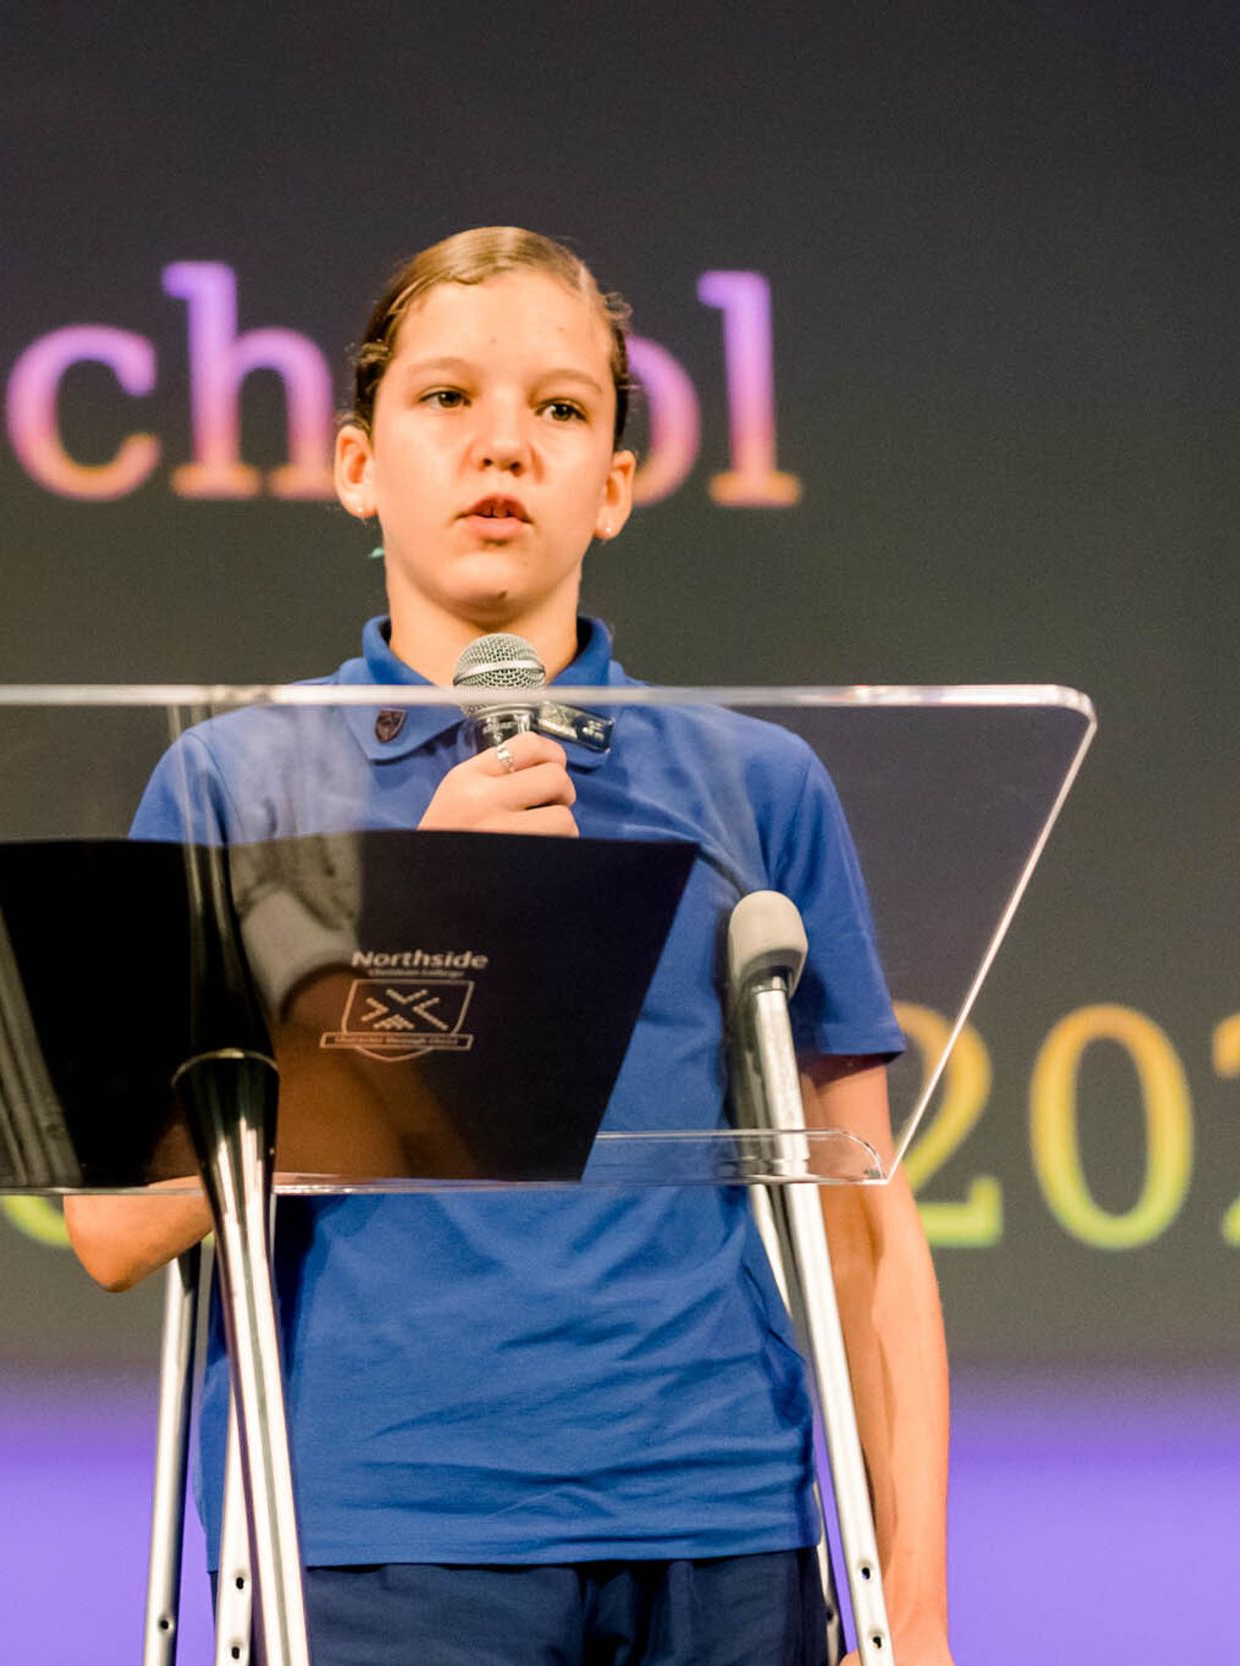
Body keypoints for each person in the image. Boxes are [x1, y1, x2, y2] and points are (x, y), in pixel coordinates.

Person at [63, 227, 955, 1666]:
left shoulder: (752, 783)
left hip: (722, 1520)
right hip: (378, 1530)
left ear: (614, 485)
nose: (504, 446)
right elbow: (116, 1225)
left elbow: (860, 1215)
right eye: (446, 399)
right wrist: (417, 923)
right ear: (357, 465)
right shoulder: (236, 783)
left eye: (559, 408)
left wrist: (913, 1610)